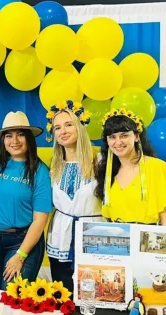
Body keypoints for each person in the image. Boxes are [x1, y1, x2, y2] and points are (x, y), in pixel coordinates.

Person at [0, 111, 52, 290]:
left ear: (29, 138)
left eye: (21, 134)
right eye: (9, 135)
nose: (15, 141)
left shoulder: (40, 171)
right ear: (3, 140)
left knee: (13, 296)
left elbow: (40, 220)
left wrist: (20, 255)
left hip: (21, 242)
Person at [45, 100, 105, 295]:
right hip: (60, 238)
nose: (63, 131)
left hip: (94, 237)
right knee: (63, 296)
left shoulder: (100, 161)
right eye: (57, 127)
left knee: (94, 296)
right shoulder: (54, 166)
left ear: (80, 126)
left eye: (69, 124)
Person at [95, 108, 166, 225]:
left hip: (147, 238)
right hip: (118, 238)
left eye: (124, 136)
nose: (118, 142)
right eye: (112, 137)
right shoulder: (108, 171)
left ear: (136, 137)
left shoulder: (156, 167)